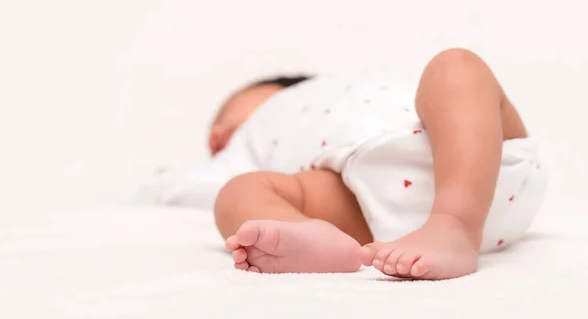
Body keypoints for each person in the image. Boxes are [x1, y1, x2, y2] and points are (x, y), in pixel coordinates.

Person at [210, 48, 546, 280]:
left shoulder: (326, 93)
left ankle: (455, 221)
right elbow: (180, 185)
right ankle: (314, 238)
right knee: (238, 191)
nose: (218, 134)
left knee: (456, 66)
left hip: (476, 155)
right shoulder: (243, 155)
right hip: (364, 206)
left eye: (229, 114)